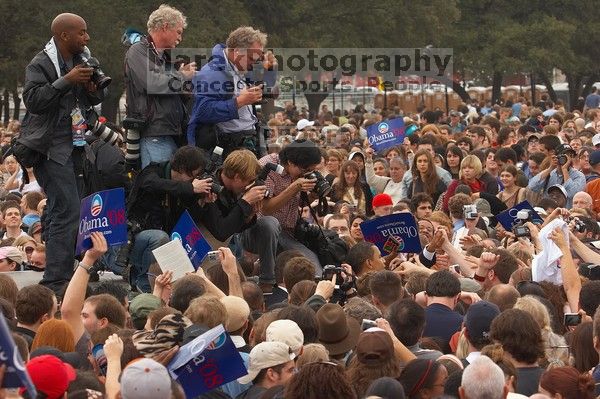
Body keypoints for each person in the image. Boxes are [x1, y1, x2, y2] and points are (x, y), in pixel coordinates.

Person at [18, 13, 107, 293]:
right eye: (81, 33)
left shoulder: (83, 57)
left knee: (67, 211)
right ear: (64, 36)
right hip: (50, 148)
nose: (87, 37)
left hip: (77, 143)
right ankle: (56, 280)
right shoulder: (41, 63)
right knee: (67, 209)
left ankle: (65, 271)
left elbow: (93, 100)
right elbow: (33, 101)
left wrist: (92, 89)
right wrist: (66, 80)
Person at [124, 4, 196, 169]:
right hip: (154, 133)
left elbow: (170, 87)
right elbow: (152, 83)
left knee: (169, 189)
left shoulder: (166, 57)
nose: (180, 38)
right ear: (165, 27)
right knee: (157, 188)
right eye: (178, 32)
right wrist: (182, 76)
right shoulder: (137, 51)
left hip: (171, 133)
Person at [188, 26, 277, 158]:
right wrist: (239, 102)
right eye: (252, 59)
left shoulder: (238, 67)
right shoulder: (212, 73)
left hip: (246, 141)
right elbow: (202, 111)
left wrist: (270, 70)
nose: (254, 64)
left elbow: (271, 89)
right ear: (237, 51)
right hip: (226, 147)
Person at [258, 139, 323, 271]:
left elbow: (296, 203)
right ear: (290, 162)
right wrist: (294, 188)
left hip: (291, 231)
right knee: (312, 267)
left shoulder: (298, 173)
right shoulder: (268, 167)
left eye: (312, 170)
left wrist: (312, 196)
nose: (307, 174)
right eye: (305, 170)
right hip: (265, 230)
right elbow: (265, 209)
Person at [528, 143, 586, 208]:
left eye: (570, 155)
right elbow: (532, 187)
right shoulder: (550, 173)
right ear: (556, 156)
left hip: (567, 213)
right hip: (549, 213)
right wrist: (550, 168)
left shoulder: (579, 175)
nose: (568, 158)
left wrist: (565, 170)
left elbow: (572, 193)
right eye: (564, 155)